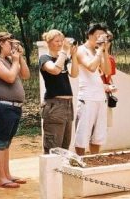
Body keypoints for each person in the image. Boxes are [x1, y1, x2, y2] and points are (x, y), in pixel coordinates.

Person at [0, 32, 30, 188]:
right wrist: (16, 61)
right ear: (1, 44)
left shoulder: (10, 60)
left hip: (14, 107)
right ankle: (1, 178)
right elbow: (10, 78)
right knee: (0, 141)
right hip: (3, 106)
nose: (12, 45)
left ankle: (7, 174)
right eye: (9, 42)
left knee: (7, 142)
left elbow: (25, 75)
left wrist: (20, 58)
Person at [74, 23, 112, 156]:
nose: (100, 39)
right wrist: (99, 51)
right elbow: (91, 67)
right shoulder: (80, 50)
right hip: (87, 97)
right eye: (97, 36)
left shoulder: (99, 51)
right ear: (89, 35)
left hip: (100, 97)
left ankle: (95, 160)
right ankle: (80, 161)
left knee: (98, 134)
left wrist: (105, 50)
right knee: (83, 133)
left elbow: (107, 70)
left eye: (103, 36)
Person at [39, 29, 78, 153]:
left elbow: (74, 73)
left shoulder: (64, 58)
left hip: (67, 105)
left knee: (65, 147)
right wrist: (64, 52)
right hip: (54, 105)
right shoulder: (44, 58)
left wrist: (74, 55)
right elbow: (55, 70)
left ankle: (60, 172)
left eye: (62, 40)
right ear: (48, 42)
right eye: (57, 41)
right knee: (53, 147)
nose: (60, 43)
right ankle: (50, 172)